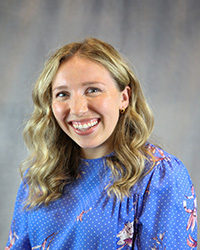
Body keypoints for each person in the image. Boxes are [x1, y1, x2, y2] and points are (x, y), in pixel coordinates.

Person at [5, 37, 197, 250]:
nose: (77, 109)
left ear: (124, 97)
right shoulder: (39, 175)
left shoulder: (159, 176)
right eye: (62, 94)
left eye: (92, 90)